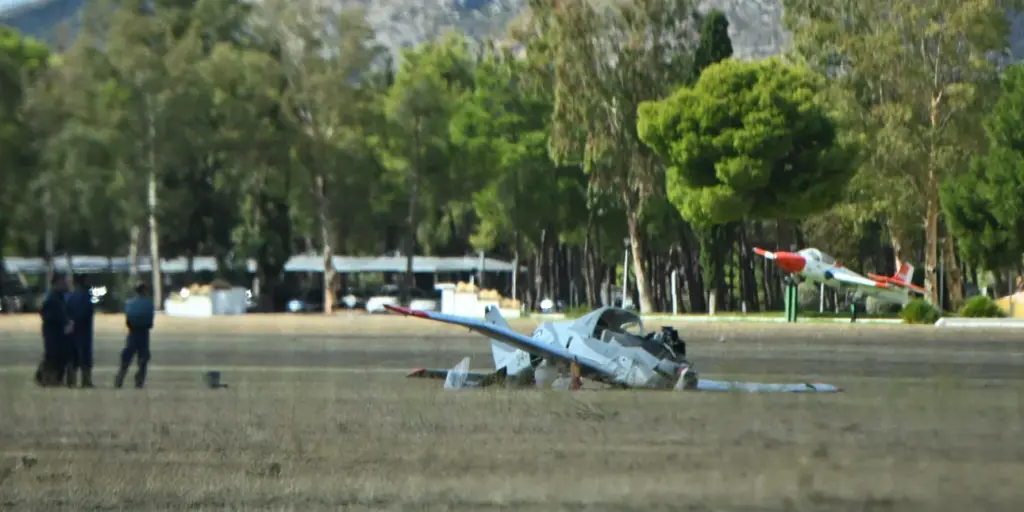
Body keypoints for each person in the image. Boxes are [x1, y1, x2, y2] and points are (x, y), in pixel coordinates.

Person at [116, 282, 155, 389]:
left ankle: (120, 378)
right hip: (144, 332)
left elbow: (128, 320)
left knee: (127, 356)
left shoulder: (130, 303)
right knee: (143, 357)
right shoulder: (149, 304)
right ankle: (139, 380)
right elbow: (151, 322)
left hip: (133, 332)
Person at [36, 273, 73, 387]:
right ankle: (46, 377)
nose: (67, 284)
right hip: (52, 330)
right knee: (53, 354)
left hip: (57, 330)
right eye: (64, 281)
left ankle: (52, 378)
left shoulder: (59, 296)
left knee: (58, 354)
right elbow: (50, 314)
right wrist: (65, 322)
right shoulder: (52, 297)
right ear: (57, 283)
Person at [65, 274, 96, 388]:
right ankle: (86, 380)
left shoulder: (69, 296)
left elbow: (65, 310)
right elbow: (88, 311)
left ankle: (71, 380)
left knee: (72, 356)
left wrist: (70, 322)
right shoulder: (86, 296)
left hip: (71, 329)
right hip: (84, 329)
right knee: (85, 355)